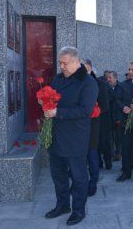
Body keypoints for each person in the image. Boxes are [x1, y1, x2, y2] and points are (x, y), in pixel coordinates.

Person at [44, 46, 98, 226]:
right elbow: (51, 97)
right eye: (60, 63)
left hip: (75, 138)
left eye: (65, 63)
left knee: (78, 177)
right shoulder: (58, 79)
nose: (62, 67)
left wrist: (57, 112)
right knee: (58, 174)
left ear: (77, 62)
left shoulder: (88, 82)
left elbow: (85, 110)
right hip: (56, 136)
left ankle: (78, 210)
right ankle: (62, 205)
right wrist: (43, 101)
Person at [83, 59, 109, 196]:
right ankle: (79, 183)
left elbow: (105, 106)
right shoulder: (75, 83)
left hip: (93, 124)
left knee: (92, 155)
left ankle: (92, 183)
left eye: (86, 68)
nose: (84, 71)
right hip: (77, 126)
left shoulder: (101, 84)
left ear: (91, 69)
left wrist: (92, 110)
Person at [106, 71, 124, 162]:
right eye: (107, 78)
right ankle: (111, 154)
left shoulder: (121, 87)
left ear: (115, 78)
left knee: (118, 137)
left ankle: (118, 153)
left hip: (118, 117)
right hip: (108, 116)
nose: (108, 80)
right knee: (109, 137)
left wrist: (120, 117)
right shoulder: (105, 87)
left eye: (110, 78)